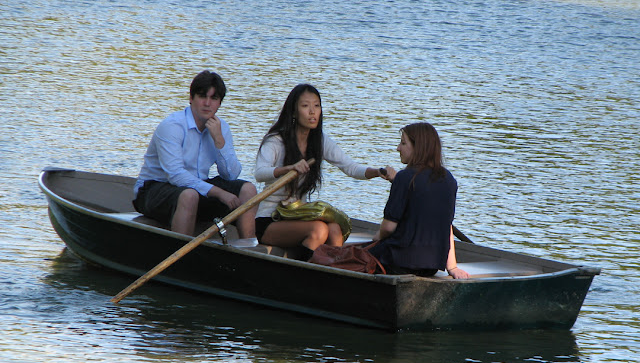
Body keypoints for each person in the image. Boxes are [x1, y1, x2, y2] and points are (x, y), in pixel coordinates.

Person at [254, 83, 385, 259]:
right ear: (293, 112)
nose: (312, 112)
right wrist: (288, 169)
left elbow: (351, 168)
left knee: (334, 229)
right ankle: (301, 274)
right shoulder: (276, 140)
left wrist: (377, 171)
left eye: (316, 106)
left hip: (297, 216)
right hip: (271, 220)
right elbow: (260, 173)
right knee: (319, 229)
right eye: (305, 106)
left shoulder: (319, 140)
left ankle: (330, 273)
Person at [132, 70, 257, 237]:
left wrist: (219, 141)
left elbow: (231, 174)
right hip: (153, 190)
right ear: (191, 99)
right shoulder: (172, 126)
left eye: (213, 98)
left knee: (248, 189)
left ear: (219, 103)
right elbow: (176, 176)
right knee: (189, 195)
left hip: (197, 187)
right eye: (202, 96)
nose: (207, 103)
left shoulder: (221, 128)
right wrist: (219, 193)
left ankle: (247, 250)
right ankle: (181, 256)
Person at [371, 122, 470, 279]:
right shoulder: (449, 180)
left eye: (403, 143)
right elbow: (446, 227)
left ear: (418, 147)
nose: (398, 148)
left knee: (354, 256)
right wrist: (452, 267)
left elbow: (388, 228)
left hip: (398, 261)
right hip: (430, 266)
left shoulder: (404, 178)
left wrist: (378, 237)